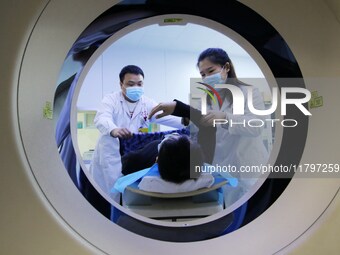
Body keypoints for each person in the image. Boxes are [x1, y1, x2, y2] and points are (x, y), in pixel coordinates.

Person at [149, 48, 269, 204]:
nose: (207, 77)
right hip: (222, 167)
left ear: (226, 67)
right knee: (230, 212)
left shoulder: (249, 92)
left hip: (249, 167)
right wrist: (178, 109)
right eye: (203, 74)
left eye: (211, 71)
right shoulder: (206, 99)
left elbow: (256, 126)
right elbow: (197, 122)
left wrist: (225, 118)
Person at [90, 65, 183, 200]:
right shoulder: (111, 100)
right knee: (109, 193)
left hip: (133, 154)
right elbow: (101, 118)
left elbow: (168, 118)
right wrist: (114, 129)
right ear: (121, 84)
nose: (136, 88)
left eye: (139, 84)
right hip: (111, 152)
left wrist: (189, 121)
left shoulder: (148, 103)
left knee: (130, 191)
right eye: (131, 84)